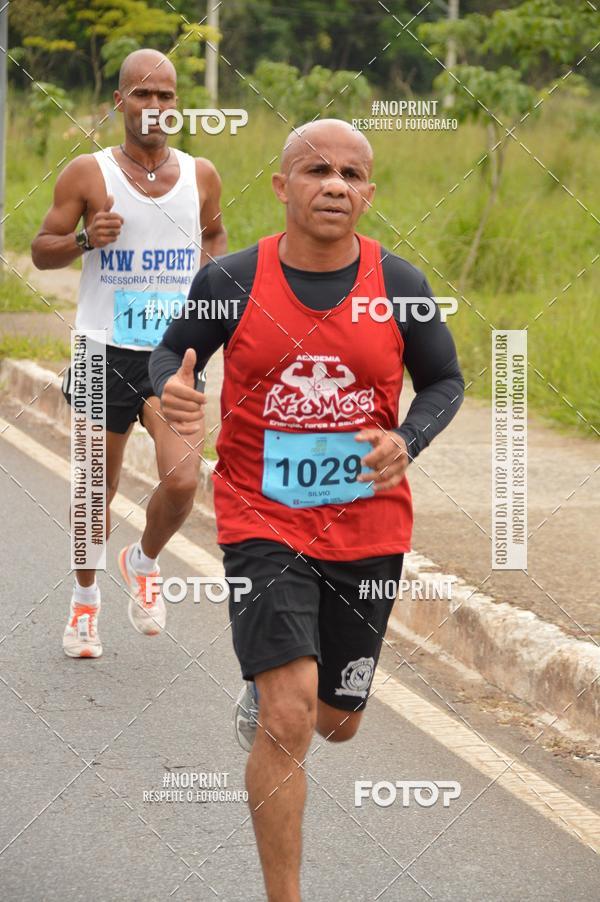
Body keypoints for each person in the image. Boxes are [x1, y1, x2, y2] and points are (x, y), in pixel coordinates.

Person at [150, 119, 464, 901]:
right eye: (317, 170)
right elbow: (169, 355)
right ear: (281, 186)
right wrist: (172, 388)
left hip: (368, 524)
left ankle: (267, 691)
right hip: (261, 515)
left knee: (335, 721)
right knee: (288, 719)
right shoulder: (229, 280)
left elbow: (445, 383)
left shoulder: (400, 284)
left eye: (351, 174)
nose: (334, 185)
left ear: (369, 194)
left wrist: (407, 439)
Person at [31, 49, 226, 658]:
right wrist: (85, 238)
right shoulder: (87, 174)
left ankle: (143, 559)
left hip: (175, 352)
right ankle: (84, 603)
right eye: (142, 94)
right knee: (96, 488)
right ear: (120, 102)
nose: (155, 106)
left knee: (183, 479)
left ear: (177, 104)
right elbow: (41, 249)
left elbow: (215, 234)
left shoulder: (201, 175)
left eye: (165, 95)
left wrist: (211, 289)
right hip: (102, 349)